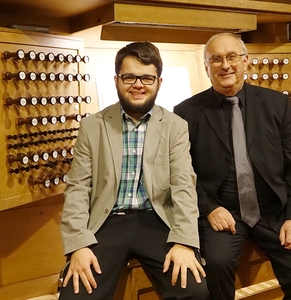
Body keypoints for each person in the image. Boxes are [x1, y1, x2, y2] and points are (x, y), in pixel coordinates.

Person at [58, 41, 209, 300]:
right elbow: (78, 188)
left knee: (194, 291)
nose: (138, 85)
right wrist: (78, 244)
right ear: (117, 80)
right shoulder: (92, 126)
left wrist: (184, 242)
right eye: (129, 77)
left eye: (147, 78)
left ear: (159, 82)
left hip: (156, 220)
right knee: (76, 296)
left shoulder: (175, 126)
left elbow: (184, 186)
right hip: (106, 221)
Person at [174, 32, 291, 300]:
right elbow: (180, 173)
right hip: (224, 214)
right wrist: (209, 207)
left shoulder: (278, 104)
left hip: (274, 211)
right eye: (215, 59)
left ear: (246, 61)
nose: (225, 65)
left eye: (232, 57)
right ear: (206, 67)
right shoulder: (185, 112)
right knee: (216, 264)